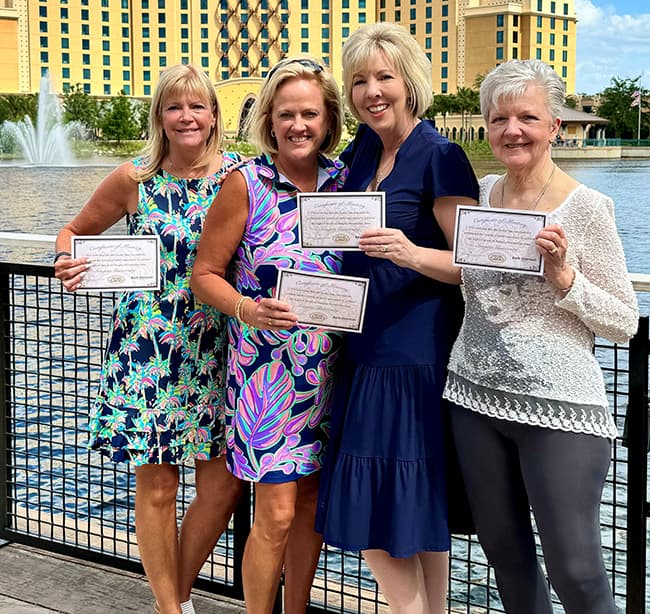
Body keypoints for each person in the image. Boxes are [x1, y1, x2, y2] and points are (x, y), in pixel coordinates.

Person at [442, 59, 639, 613]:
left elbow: (624, 320)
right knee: (506, 557)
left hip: (558, 408)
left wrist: (564, 278)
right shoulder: (479, 195)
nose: (513, 130)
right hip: (473, 397)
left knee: (576, 571)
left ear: (554, 126)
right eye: (499, 118)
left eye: (527, 117)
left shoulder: (587, 208)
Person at [53, 64, 244, 614]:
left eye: (197, 106)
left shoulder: (241, 177)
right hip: (147, 352)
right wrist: (65, 259)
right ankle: (171, 607)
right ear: (159, 116)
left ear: (214, 116)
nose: (187, 117)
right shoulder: (133, 179)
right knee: (158, 488)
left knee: (223, 486)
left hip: (220, 348)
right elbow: (73, 231)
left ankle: (173, 593)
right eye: (174, 106)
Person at [314, 22, 479, 614]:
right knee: (413, 513)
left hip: (415, 354)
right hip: (363, 346)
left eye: (384, 77)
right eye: (359, 80)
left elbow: (471, 265)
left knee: (381, 512)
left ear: (409, 82)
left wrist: (409, 253)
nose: (372, 91)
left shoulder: (440, 155)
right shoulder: (362, 151)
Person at [190, 57, 346, 614]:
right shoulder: (246, 182)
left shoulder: (346, 182)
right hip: (267, 383)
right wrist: (247, 309)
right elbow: (204, 273)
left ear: (328, 119)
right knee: (275, 514)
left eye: (310, 114)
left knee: (309, 508)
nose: (298, 125)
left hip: (333, 376)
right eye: (286, 115)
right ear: (269, 121)